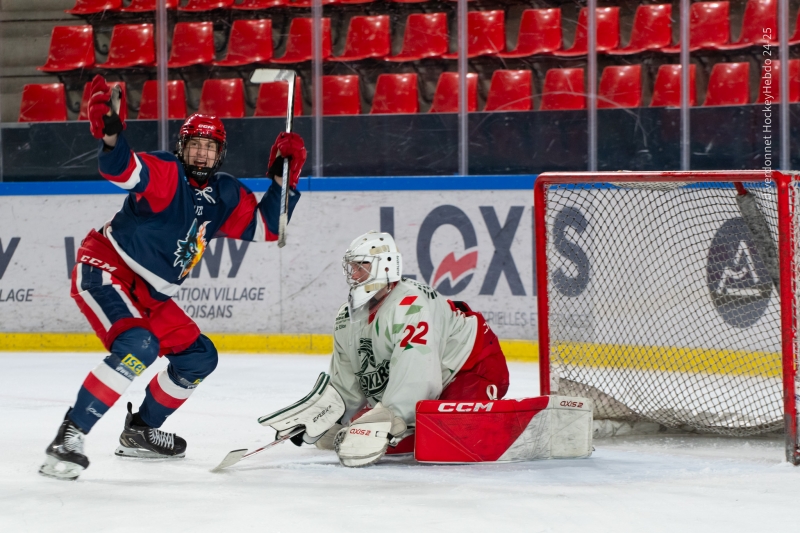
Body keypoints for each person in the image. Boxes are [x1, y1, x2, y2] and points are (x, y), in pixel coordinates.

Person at [40, 75, 307, 480]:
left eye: (210, 146)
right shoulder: (165, 172)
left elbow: (269, 227)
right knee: (139, 345)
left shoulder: (226, 194)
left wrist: (284, 179)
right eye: (195, 145)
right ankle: (70, 435)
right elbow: (123, 169)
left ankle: (141, 431)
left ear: (220, 154)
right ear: (182, 148)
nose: (201, 154)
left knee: (199, 356)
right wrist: (112, 137)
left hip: (151, 294)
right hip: (107, 269)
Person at [260, 231, 509, 467]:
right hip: (429, 377)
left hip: (471, 366)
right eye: (352, 267)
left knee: (442, 438)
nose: (354, 274)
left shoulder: (410, 305)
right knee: (358, 430)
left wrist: (394, 417)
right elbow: (350, 381)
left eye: (361, 266)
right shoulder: (346, 317)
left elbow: (418, 374)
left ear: (385, 267)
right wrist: (327, 416)